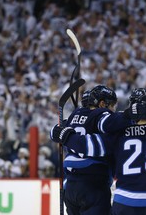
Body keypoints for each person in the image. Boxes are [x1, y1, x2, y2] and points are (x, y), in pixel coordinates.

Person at [51, 85, 118, 215]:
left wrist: (57, 133)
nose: (113, 109)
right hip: (94, 183)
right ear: (102, 103)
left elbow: (56, 131)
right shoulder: (101, 116)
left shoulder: (74, 115)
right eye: (112, 105)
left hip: (70, 185)